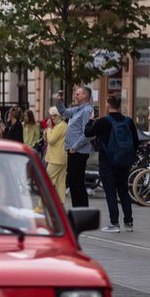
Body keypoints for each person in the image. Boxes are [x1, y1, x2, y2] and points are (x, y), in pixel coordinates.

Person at [84, 95, 138, 233]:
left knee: (110, 193)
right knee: (124, 193)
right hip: (124, 163)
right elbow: (135, 141)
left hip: (107, 162)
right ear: (119, 105)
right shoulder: (128, 121)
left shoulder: (103, 121)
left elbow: (87, 133)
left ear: (108, 105)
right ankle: (129, 222)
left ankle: (114, 223)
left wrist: (90, 120)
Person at [57, 87, 94, 208]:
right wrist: (59, 101)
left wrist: (75, 147)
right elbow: (64, 112)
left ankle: (82, 209)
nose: (75, 95)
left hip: (78, 152)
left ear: (85, 96)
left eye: (78, 94)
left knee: (77, 183)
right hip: (72, 151)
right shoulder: (77, 109)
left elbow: (87, 133)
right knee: (73, 182)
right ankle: (77, 209)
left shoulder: (87, 111)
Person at [44, 107, 68, 204]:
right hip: (61, 157)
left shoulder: (60, 126)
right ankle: (61, 203)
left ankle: (42, 206)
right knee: (60, 182)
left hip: (56, 159)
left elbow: (51, 140)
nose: (52, 118)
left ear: (59, 116)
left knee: (46, 181)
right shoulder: (63, 125)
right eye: (51, 115)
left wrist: (49, 129)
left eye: (54, 115)